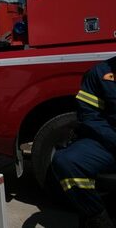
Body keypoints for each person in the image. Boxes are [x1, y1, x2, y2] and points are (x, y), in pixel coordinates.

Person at [51, 56, 116, 228]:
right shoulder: (99, 73)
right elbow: (89, 116)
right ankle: (99, 218)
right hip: (107, 144)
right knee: (66, 161)